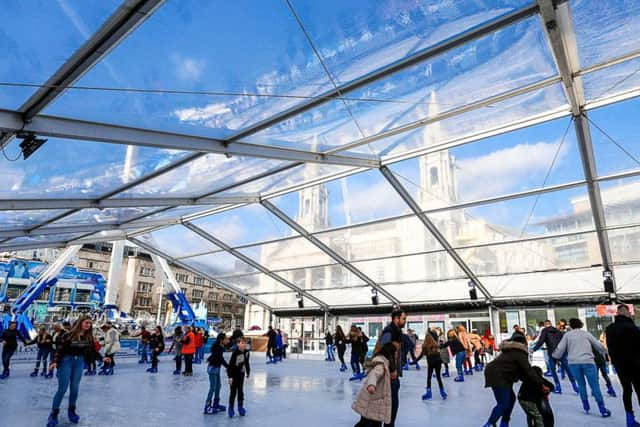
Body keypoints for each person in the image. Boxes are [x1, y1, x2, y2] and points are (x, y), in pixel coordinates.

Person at [46, 316, 110, 427]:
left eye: (90, 323)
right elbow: (60, 350)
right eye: (86, 322)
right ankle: (54, 413)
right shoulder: (68, 335)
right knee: (62, 388)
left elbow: (91, 351)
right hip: (66, 361)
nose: (88, 325)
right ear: (80, 323)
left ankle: (72, 410)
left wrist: (102, 358)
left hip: (79, 362)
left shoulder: (88, 338)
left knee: (75, 388)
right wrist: (55, 361)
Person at [552, 318, 611, 417]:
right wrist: (605, 351)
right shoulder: (586, 334)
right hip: (588, 362)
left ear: (570, 325)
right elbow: (598, 345)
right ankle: (602, 409)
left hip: (573, 363)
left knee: (581, 384)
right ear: (580, 324)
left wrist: (555, 356)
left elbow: (560, 349)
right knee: (594, 385)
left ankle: (586, 405)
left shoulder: (567, 335)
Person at [483, 334, 542, 427]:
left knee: (510, 399)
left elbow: (521, 371)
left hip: (498, 374)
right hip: (499, 376)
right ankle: (490, 423)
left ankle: (504, 422)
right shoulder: (520, 352)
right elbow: (528, 370)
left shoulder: (510, 351)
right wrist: (541, 383)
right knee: (504, 403)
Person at [606, 304, 640, 427]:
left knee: (627, 390)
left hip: (620, 365)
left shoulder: (610, 328)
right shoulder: (633, 327)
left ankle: (629, 419)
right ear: (625, 312)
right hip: (636, 364)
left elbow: (610, 347)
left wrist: (613, 361)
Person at [352, 342, 396, 427]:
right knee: (367, 422)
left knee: (373, 422)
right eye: (395, 353)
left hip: (376, 400)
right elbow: (374, 375)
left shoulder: (385, 362)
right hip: (373, 400)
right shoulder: (381, 364)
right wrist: (371, 385)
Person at [530, 319, 578, 394]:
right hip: (561, 352)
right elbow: (563, 341)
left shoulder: (545, 331)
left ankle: (558, 387)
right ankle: (575, 387)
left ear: (545, 325)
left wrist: (534, 349)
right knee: (568, 369)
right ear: (551, 324)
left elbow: (541, 341)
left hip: (552, 353)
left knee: (553, 370)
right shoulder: (557, 330)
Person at [377, 309, 406, 427]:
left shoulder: (397, 332)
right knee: (391, 406)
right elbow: (385, 350)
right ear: (396, 318)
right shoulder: (389, 331)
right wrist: (393, 369)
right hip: (388, 375)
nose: (405, 321)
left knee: (392, 406)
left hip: (392, 375)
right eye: (403, 319)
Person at [204, 332, 229, 415]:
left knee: (218, 386)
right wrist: (228, 367)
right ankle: (207, 406)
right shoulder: (219, 348)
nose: (227, 340)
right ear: (222, 340)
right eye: (226, 339)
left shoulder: (219, 347)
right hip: (213, 369)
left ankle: (216, 404)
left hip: (216, 368)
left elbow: (216, 356)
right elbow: (220, 359)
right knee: (213, 387)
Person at [227, 337, 250, 418]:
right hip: (234, 375)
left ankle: (240, 407)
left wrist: (248, 371)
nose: (244, 344)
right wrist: (230, 377)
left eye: (245, 343)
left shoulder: (246, 352)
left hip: (241, 375)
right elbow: (230, 366)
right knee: (233, 392)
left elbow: (247, 362)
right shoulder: (235, 353)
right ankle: (231, 408)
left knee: (240, 391)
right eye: (242, 343)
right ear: (238, 344)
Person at [420, 330, 447, 400]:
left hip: (431, 363)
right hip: (438, 362)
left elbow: (420, 356)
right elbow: (442, 349)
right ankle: (442, 392)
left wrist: (413, 362)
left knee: (429, 377)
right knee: (438, 377)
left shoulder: (425, 345)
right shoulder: (436, 344)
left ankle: (429, 393)